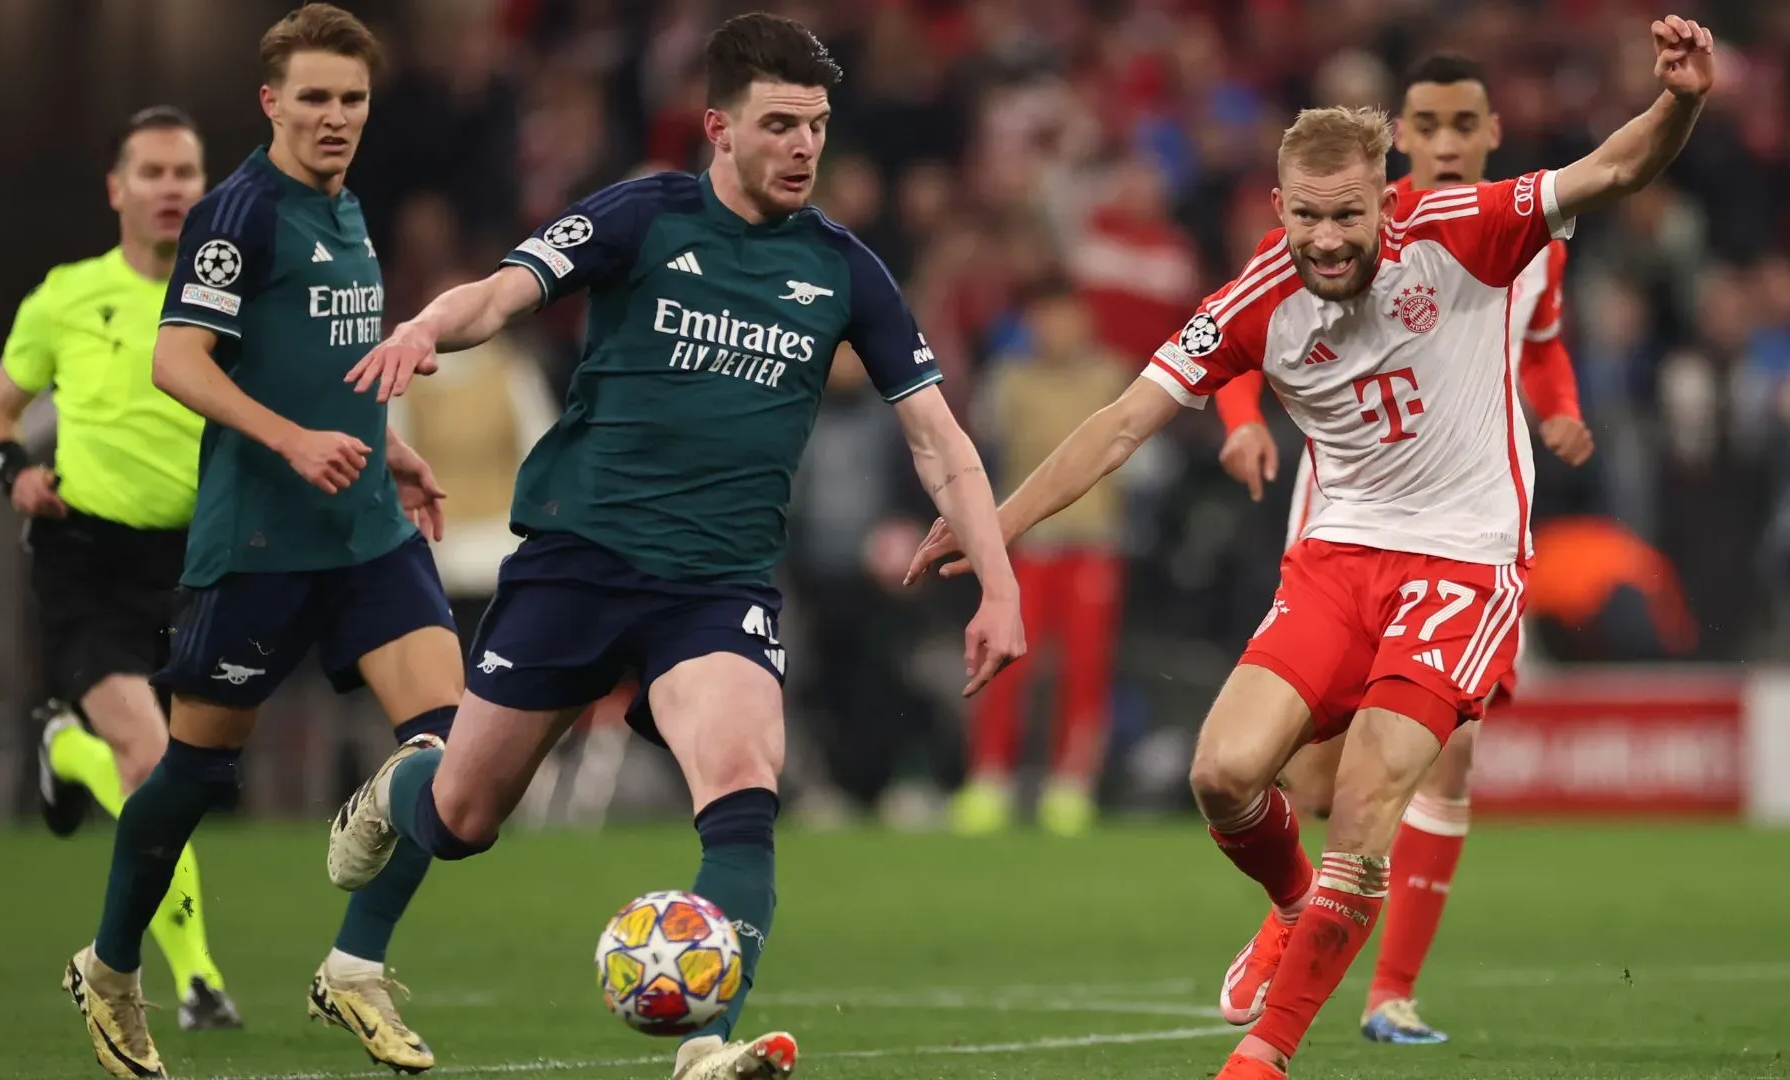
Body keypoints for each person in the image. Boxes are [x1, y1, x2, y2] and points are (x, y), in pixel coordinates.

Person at [907, 17, 1714, 1079]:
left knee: (1368, 804)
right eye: (1310, 220)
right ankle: (1294, 906)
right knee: (1223, 773)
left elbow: (1615, 166)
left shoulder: (1465, 225)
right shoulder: (1254, 298)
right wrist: (991, 525)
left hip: (1464, 564)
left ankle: (1266, 1055)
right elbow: (1116, 424)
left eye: (1350, 216)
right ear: (1277, 211)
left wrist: (1683, 101)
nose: (1331, 241)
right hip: (1337, 558)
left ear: (1388, 196)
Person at [326, 13, 1025, 1080]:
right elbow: (506, 290)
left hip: (718, 585)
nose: (804, 147)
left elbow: (940, 443)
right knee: (463, 817)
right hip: (577, 561)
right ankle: (383, 852)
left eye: (818, 126)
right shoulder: (643, 215)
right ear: (717, 127)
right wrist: (428, 327)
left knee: (745, 781)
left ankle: (710, 1041)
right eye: (780, 123)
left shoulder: (845, 270)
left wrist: (1000, 586)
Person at [61, 7, 459, 1077]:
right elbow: (177, 360)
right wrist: (289, 441)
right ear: (271, 102)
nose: (337, 118)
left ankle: (356, 969)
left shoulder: (347, 205)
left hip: (366, 530)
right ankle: (108, 968)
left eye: (354, 99)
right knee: (194, 774)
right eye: (317, 98)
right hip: (264, 541)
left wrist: (391, 448)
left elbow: (324, 347)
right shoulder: (239, 212)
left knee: (458, 756)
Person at [1208, 53, 1596, 1045]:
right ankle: (1288, 910)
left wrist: (1561, 411)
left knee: (1447, 753)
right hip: (1347, 523)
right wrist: (1239, 419)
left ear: (1493, 130)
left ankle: (1391, 992)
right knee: (1306, 773)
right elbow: (1235, 331)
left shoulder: (1531, 236)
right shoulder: (1341, 229)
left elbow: (1541, 345)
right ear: (1400, 144)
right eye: (1429, 123)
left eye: (1466, 121)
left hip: (1469, 525)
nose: (1450, 141)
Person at [0, 106, 243, 1031]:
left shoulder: (231, 294)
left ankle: (65, 749)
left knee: (186, 775)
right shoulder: (65, 296)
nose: (172, 188)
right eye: (154, 172)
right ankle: (199, 981)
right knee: (154, 757)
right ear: (117, 190)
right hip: (83, 552)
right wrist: (16, 473)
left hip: (195, 559)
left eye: (186, 173)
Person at [953, 280, 1130, 837]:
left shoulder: (1112, 377)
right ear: (1030, 323)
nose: (1056, 329)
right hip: (1025, 546)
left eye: (1066, 317)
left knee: (1085, 669)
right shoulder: (1008, 381)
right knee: (1003, 664)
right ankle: (989, 781)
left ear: (1084, 321)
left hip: (1093, 543)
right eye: (1045, 318)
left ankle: (1071, 785)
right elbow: (979, 453)